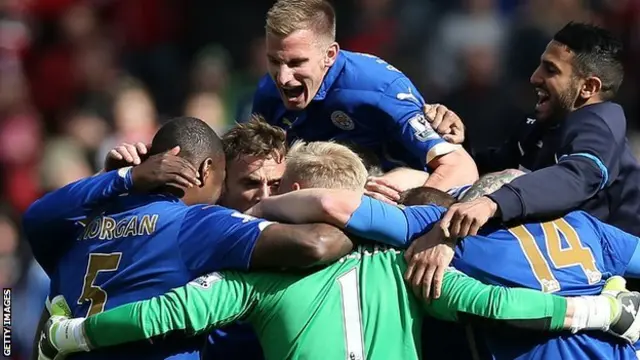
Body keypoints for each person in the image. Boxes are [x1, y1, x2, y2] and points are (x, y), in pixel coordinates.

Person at [37, 142, 640, 360]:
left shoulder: (259, 278)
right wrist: (600, 312)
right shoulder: (413, 268)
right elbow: (493, 306)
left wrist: (75, 335)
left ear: (299, 195)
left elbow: (169, 313)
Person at [23, 117, 354, 360]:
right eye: (230, 180)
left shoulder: (83, 223)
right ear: (207, 170)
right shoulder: (198, 225)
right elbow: (317, 244)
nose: (262, 197)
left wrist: (118, 180)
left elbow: (36, 218)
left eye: (275, 186)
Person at [252, 166, 640, 359]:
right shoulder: (587, 226)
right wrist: (613, 293)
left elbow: (329, 204)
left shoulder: (456, 226)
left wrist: (258, 208)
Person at [422, 22, 640, 240]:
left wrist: (494, 203)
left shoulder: (600, 125)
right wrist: (455, 144)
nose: (535, 77)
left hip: (616, 268)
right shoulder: (541, 125)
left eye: (551, 69)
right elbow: (487, 170)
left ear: (588, 87)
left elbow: (576, 177)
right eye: (540, 66)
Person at [251, 0, 478, 192]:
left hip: (393, 197)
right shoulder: (268, 92)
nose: (282, 78)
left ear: (329, 55)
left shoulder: (379, 88)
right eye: (274, 61)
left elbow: (460, 166)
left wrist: (412, 219)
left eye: (296, 63)